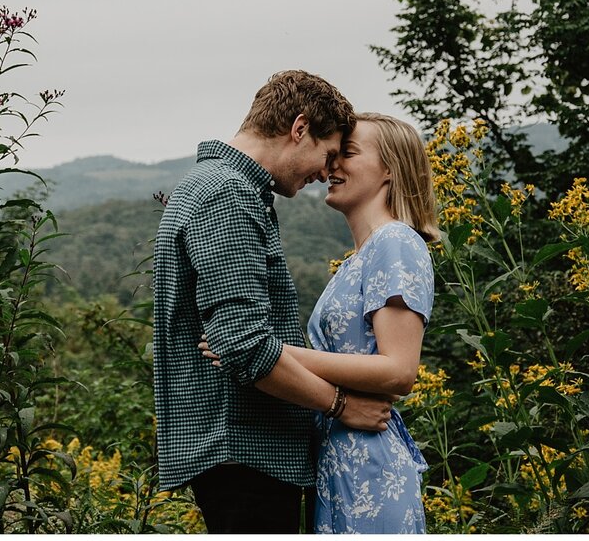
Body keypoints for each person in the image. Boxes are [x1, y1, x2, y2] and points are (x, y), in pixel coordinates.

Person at [153, 71, 396, 534]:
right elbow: (243, 346)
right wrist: (342, 404)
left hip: (246, 455)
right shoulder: (226, 193)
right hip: (245, 453)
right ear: (299, 128)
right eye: (327, 155)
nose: (326, 172)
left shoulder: (224, 188)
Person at [201, 111, 440, 534]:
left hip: (369, 466)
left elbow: (399, 371)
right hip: (336, 458)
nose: (332, 166)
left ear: (390, 170)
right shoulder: (358, 259)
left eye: (347, 153)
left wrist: (271, 352)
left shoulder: (397, 241)